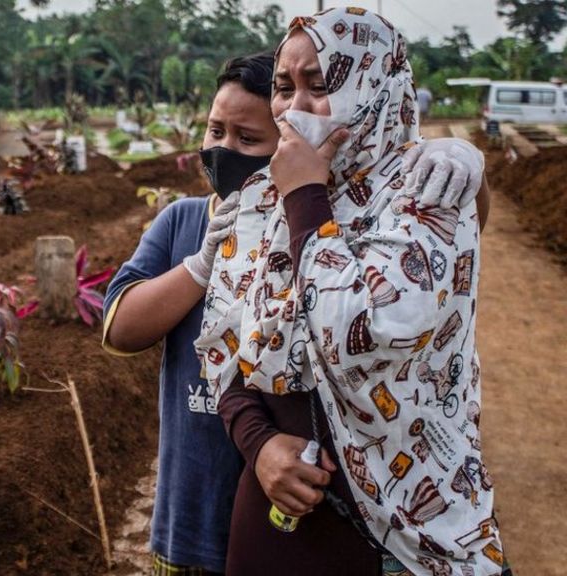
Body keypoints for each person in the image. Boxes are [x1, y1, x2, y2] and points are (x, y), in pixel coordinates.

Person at [103, 50, 487, 574]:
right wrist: (201, 266)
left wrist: (464, 163)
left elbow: (440, 250)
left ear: (290, 140)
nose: (222, 149)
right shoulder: (183, 221)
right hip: (191, 515)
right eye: (215, 130)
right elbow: (121, 329)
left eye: (247, 139)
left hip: (289, 522)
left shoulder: (326, 231)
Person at [198, 8, 507, 575]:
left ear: (375, 88)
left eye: (321, 87)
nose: (294, 109)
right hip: (279, 514)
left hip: (403, 523)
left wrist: (306, 200)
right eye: (284, 88)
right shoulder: (261, 201)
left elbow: (362, 333)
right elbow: (223, 346)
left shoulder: (428, 189)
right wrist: (259, 444)